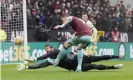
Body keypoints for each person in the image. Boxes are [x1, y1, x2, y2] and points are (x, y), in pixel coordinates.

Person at [18, 45, 124, 72]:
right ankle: (114, 67)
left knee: (99, 57)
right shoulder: (52, 61)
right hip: (76, 67)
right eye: (46, 49)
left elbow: (47, 55)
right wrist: (27, 67)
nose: (48, 50)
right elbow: (40, 65)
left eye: (48, 48)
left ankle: (117, 56)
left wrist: (36, 58)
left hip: (79, 58)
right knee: (93, 66)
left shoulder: (57, 51)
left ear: (51, 48)